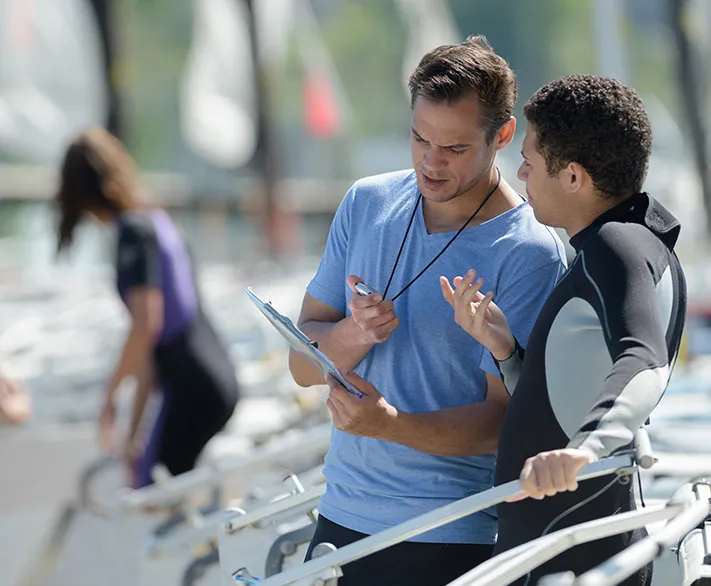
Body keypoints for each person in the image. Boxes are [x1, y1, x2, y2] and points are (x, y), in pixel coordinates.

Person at [289, 36, 567, 586]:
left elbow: (502, 422)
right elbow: (302, 366)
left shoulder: (531, 252)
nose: (431, 162)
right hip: (339, 516)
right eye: (420, 138)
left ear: (503, 136)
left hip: (448, 533)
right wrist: (352, 333)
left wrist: (388, 425)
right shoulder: (366, 202)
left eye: (455, 148)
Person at [436, 74, 687, 585]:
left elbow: (645, 361)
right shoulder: (627, 245)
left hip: (572, 553)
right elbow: (566, 394)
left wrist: (584, 450)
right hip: (561, 543)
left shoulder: (616, 250)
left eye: (529, 160)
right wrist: (504, 350)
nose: (520, 173)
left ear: (572, 177)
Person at [55, 127, 239, 489]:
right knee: (152, 481)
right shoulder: (156, 221)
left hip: (193, 387)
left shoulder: (133, 234)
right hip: (211, 378)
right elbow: (151, 354)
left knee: (152, 490)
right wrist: (136, 433)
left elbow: (145, 326)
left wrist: (108, 398)